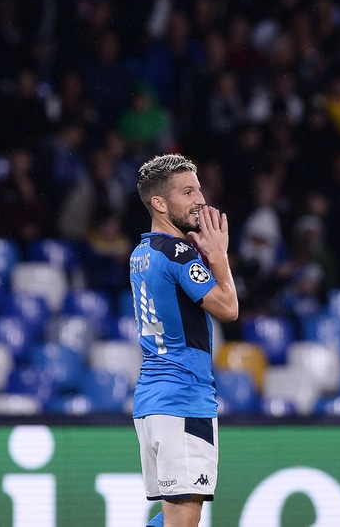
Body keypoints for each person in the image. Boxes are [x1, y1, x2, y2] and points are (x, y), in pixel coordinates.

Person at [129, 153, 238, 527]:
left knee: (173, 517)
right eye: (188, 192)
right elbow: (228, 308)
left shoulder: (142, 253)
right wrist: (218, 256)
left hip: (153, 401)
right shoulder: (178, 252)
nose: (200, 200)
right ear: (160, 203)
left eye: (199, 190)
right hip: (184, 399)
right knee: (182, 521)